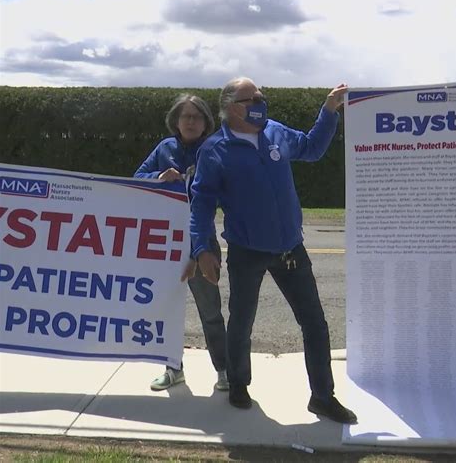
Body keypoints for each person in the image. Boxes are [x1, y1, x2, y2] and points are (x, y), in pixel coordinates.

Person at [189, 77, 357, 424]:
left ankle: (322, 397)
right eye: (253, 98)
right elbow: (201, 203)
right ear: (232, 107)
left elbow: (312, 148)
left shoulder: (275, 132)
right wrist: (202, 249)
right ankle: (238, 384)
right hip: (246, 251)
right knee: (242, 322)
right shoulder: (215, 150)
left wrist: (329, 110)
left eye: (261, 96)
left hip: (290, 248)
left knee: (314, 323)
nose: (261, 102)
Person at [134, 93, 229, 392]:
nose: (190, 122)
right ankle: (173, 369)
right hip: (166, 242)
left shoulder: (215, 149)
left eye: (197, 117)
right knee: (168, 309)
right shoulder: (164, 148)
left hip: (202, 242)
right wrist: (159, 176)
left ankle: (224, 371)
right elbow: (137, 178)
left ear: (206, 122)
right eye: (185, 116)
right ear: (176, 121)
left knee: (210, 311)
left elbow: (228, 188)